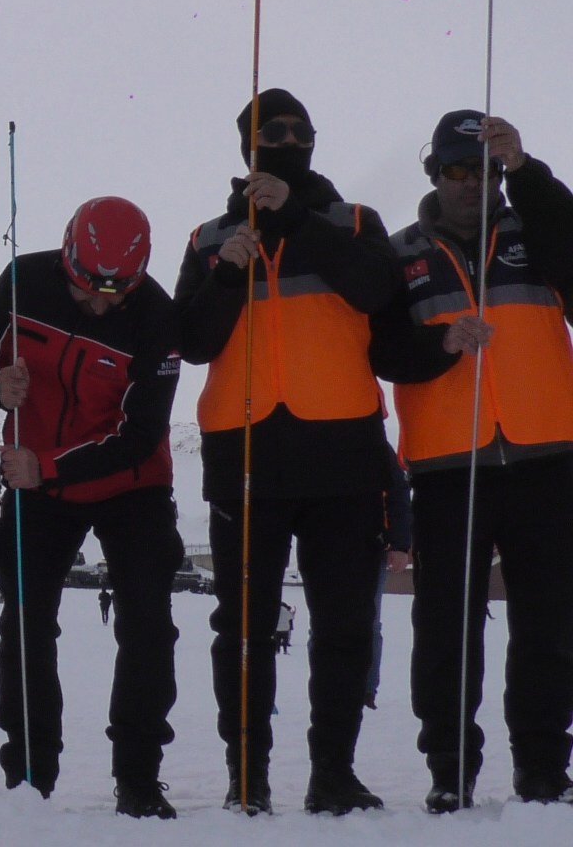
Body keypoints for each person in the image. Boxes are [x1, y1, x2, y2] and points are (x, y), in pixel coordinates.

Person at [174, 89, 398, 815]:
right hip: (245, 458)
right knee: (242, 628)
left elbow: (373, 291)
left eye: (302, 131)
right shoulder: (210, 238)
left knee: (342, 624)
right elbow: (193, 341)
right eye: (275, 132)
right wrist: (226, 274)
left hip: (343, 456)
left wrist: (295, 220)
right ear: (248, 147)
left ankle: (334, 772)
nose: (290, 141)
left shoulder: (354, 221)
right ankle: (248, 774)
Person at [369, 112, 573, 811]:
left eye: (482, 170)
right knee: (446, 626)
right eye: (455, 170)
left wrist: (530, 170)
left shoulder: (538, 233)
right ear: (434, 175)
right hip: (449, 467)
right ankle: (450, 768)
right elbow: (383, 353)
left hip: (548, 456)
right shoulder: (401, 255)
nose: (468, 184)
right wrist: (441, 347)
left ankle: (544, 767)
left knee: (549, 623)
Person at [0, 195, 184, 818]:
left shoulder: (157, 319)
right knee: (26, 623)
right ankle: (30, 772)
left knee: (146, 624)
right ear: (66, 257)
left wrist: (51, 466)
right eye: (88, 288)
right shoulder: (23, 280)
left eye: (117, 292)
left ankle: (139, 779)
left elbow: (140, 435)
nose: (101, 304)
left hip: (129, 483)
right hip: (37, 485)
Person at [365, 468, 413, 712]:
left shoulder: (379, 450)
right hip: (327, 543)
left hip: (373, 545)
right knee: (324, 624)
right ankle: (331, 686)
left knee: (370, 622)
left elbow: (398, 493)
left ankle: (367, 688)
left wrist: (401, 544)